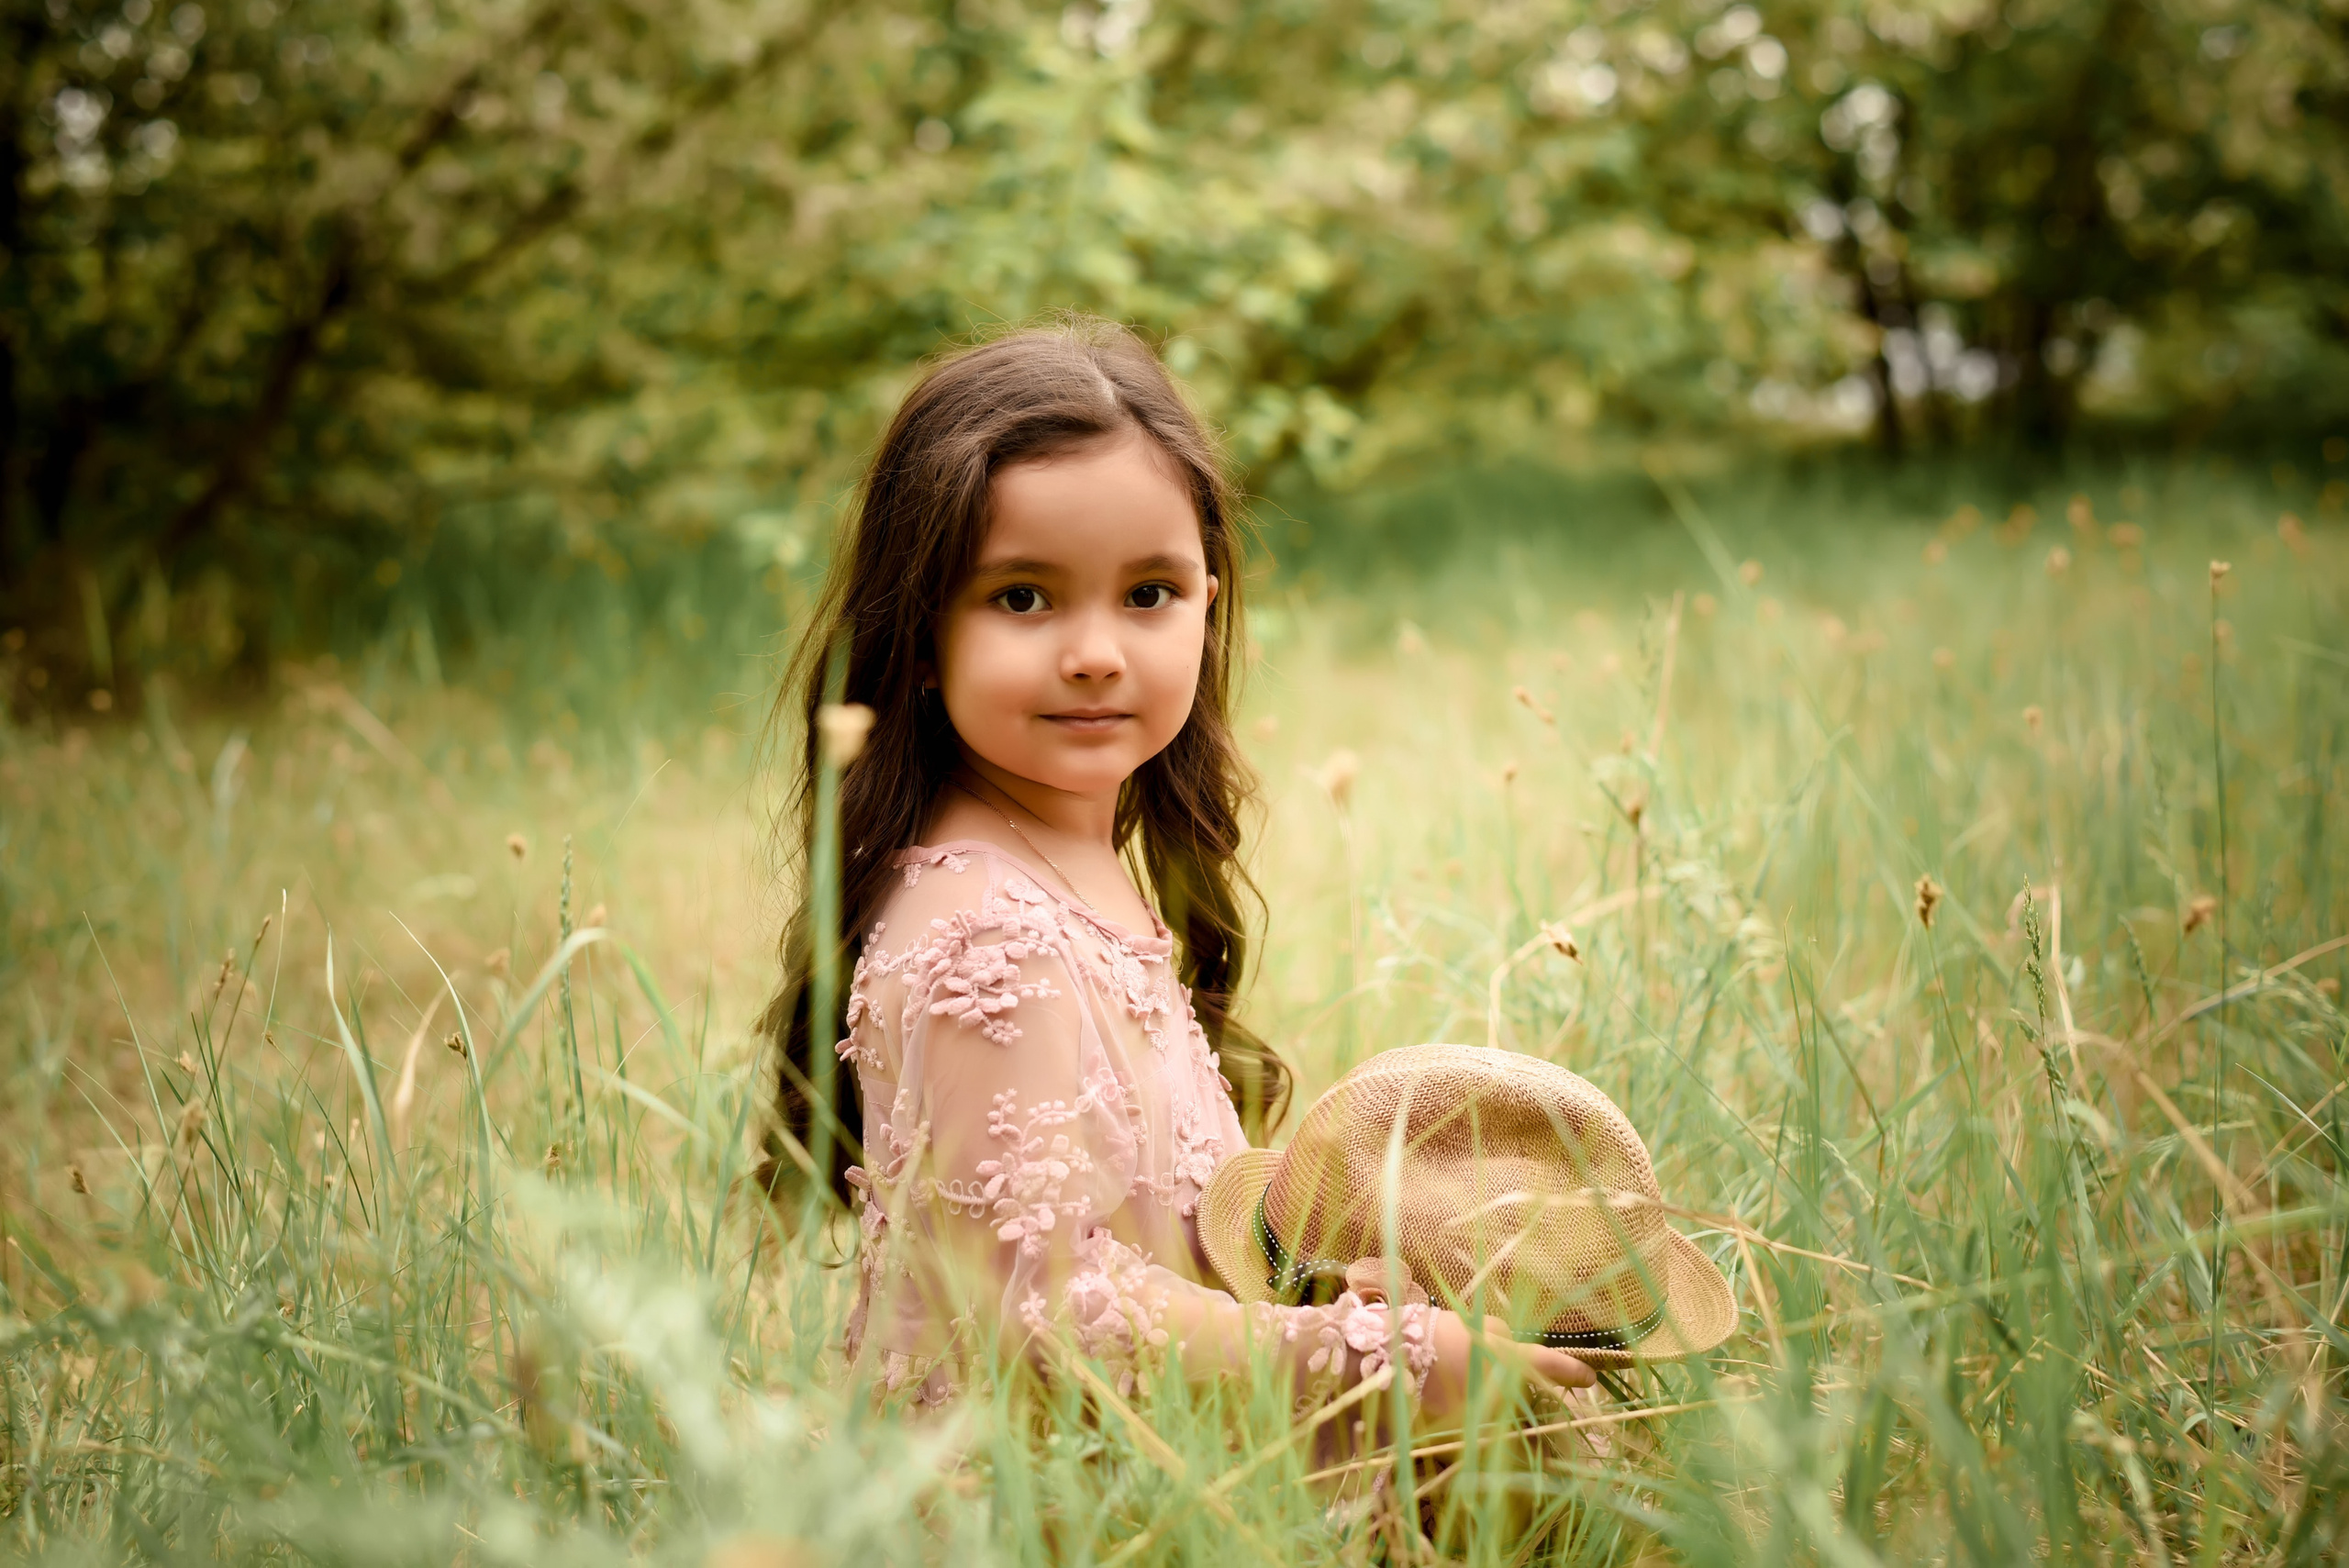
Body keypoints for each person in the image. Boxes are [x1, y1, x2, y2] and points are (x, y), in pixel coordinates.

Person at [757, 315, 1596, 1419]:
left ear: (1207, 601)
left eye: (1147, 592)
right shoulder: (984, 929)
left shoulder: (1068, 861)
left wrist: (1323, 1294)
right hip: (1032, 1504)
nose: (1097, 650)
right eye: (1022, 596)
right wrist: (1374, 1354)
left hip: (1154, 1441)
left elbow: (1144, 1234)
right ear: (919, 631)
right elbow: (1034, 1311)